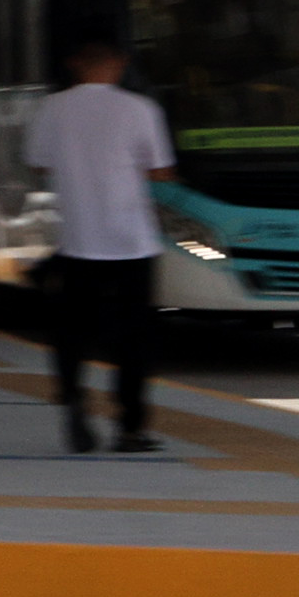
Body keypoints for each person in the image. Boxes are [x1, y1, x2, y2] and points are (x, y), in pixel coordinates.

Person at [27, 35, 179, 458]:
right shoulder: (139, 109)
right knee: (134, 340)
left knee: (71, 331)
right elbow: (161, 170)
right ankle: (130, 428)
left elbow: (39, 162)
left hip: (78, 242)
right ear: (120, 63)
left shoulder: (53, 108)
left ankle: (74, 398)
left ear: (76, 63)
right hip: (132, 241)